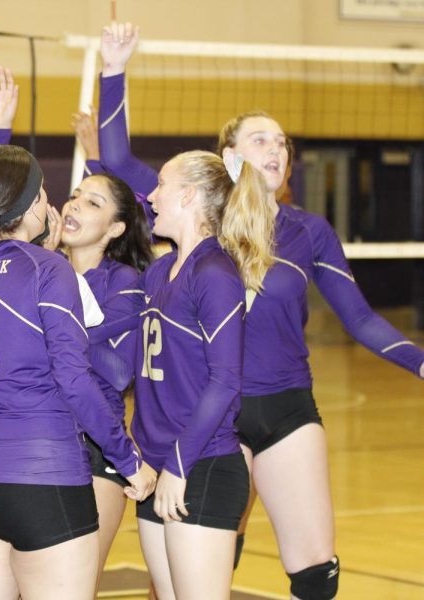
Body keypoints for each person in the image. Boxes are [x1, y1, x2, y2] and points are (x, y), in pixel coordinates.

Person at [103, 22, 424, 595]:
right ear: (227, 158)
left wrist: (421, 362)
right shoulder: (194, 207)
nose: (277, 149)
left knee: (316, 571)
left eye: (282, 142)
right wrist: (113, 68)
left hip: (283, 409)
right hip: (210, 412)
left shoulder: (309, 232)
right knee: (193, 567)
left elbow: (361, 319)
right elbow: (115, 156)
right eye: (261, 140)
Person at [0, 145, 156, 600]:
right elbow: (75, 380)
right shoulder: (47, 268)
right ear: (24, 205)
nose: (52, 203)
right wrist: (129, 462)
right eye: (43, 193)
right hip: (42, 475)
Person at [131, 150, 274, 599]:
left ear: (189, 195)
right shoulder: (158, 271)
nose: (150, 197)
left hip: (200, 464)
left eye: (161, 185)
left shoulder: (214, 272)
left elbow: (226, 381)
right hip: (158, 467)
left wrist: (178, 463)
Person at [58, 172, 154, 576]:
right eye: (76, 194)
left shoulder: (124, 282)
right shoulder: (39, 268)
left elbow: (116, 372)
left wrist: (53, 330)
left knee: (73, 586)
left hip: (99, 444)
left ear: (115, 228)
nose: (75, 203)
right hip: (38, 438)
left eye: (93, 203)